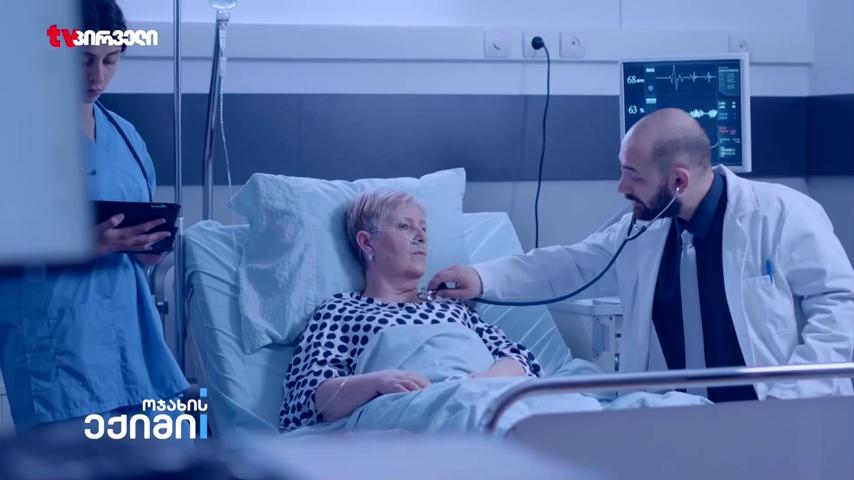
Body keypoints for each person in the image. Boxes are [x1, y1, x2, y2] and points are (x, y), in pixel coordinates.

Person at [429, 108, 854, 401]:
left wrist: (795, 395)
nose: (621, 187)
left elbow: (840, 306)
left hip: (772, 414)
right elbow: (573, 265)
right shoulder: (644, 228)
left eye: (633, 176)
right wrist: (482, 278)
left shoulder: (780, 214)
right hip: (672, 419)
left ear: (678, 181)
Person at [0, 0, 187, 431]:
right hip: (59, 350)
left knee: (174, 452)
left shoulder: (126, 135)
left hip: (136, 344)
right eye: (83, 60)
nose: (97, 76)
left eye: (110, 60)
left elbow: (140, 228)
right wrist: (87, 242)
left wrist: (148, 247)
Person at [278, 190, 542, 431]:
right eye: (405, 226)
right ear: (367, 242)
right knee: (481, 421)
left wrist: (488, 381)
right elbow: (309, 399)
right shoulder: (341, 310)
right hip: (407, 407)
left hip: (483, 396)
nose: (421, 237)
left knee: (549, 415)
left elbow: (519, 359)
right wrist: (377, 382)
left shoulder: (451, 304)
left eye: (423, 228)